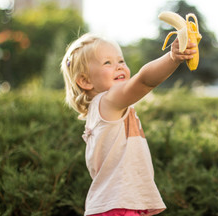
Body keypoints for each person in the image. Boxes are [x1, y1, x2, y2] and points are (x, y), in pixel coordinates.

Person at [60, 33, 197, 216]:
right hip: (119, 207)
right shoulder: (108, 101)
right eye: (107, 63)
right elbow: (143, 81)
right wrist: (172, 57)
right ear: (85, 81)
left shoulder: (104, 107)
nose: (119, 67)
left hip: (117, 206)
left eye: (121, 61)